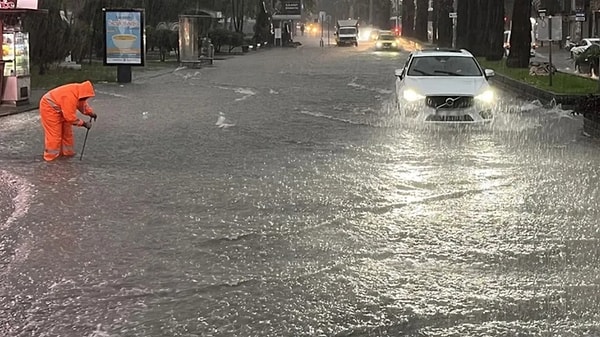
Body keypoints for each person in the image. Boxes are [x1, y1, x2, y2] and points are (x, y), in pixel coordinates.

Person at [39, 80, 97, 161]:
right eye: (86, 97)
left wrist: (90, 113)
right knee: (55, 135)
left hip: (60, 107)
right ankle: (51, 157)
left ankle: (67, 154)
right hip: (49, 108)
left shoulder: (79, 93)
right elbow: (70, 118)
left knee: (67, 133)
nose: (86, 99)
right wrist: (84, 124)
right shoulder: (70, 97)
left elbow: (82, 105)